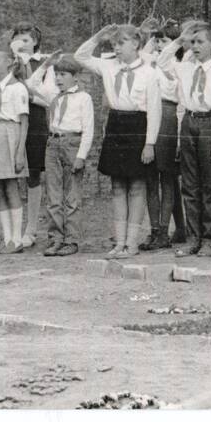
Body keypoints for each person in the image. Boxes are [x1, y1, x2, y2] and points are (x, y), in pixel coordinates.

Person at [77, 24, 161, 258]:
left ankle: (132, 243)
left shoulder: (149, 72)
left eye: (121, 43)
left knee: (136, 186)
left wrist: (150, 143)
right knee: (117, 187)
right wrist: (97, 37)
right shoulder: (108, 66)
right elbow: (80, 56)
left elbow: (154, 110)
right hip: (116, 126)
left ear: (135, 44)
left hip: (138, 127)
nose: (116, 47)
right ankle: (119, 242)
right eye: (113, 44)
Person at [156, 22, 211, 258]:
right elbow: (162, 62)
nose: (196, 46)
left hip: (210, 124)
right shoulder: (186, 69)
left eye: (201, 42)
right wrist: (180, 40)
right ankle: (193, 238)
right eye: (193, 42)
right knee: (189, 186)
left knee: (210, 186)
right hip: (189, 124)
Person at [27, 53, 95, 256]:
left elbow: (89, 129)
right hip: (53, 144)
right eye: (56, 74)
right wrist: (45, 65)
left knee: (71, 196)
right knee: (53, 195)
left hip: (72, 144)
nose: (58, 78)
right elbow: (31, 83)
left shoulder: (84, 98)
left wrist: (81, 156)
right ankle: (55, 238)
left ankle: (71, 240)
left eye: (63, 74)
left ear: (76, 77)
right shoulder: (52, 95)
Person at [139, 20, 186, 250]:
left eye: (164, 41)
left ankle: (165, 231)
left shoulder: (179, 66)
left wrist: (178, 136)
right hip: (149, 117)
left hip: (168, 118)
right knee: (150, 178)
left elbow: (181, 105)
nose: (159, 45)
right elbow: (142, 53)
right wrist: (150, 36)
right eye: (157, 41)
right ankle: (154, 229)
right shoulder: (150, 63)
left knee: (167, 178)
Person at [0, 43, 30, 254]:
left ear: (10, 63)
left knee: (11, 186)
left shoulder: (18, 87)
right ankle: (7, 237)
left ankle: (17, 239)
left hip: (11, 135)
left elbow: (24, 121)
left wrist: (19, 152)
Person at [11, 22, 51, 249]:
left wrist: (28, 95)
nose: (21, 44)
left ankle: (31, 229)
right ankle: (2, 230)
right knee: (5, 175)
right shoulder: (6, 63)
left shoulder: (43, 64)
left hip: (35, 121)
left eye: (26, 40)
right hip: (11, 123)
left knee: (33, 174)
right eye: (17, 39)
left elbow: (48, 100)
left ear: (35, 42)